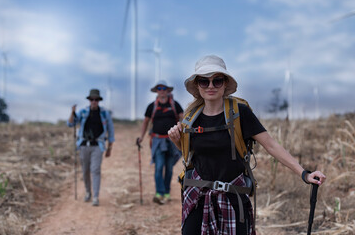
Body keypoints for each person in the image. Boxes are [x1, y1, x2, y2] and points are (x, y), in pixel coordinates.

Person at [167, 55, 326, 234]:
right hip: (197, 198)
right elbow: (193, 157)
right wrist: (177, 141)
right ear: (197, 85)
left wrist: (304, 173)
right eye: (204, 81)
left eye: (217, 80)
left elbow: (271, 145)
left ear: (225, 83)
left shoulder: (240, 113)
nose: (211, 86)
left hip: (233, 198)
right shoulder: (190, 118)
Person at [137, 80, 184, 205]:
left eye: (164, 88)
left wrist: (185, 135)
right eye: (159, 88)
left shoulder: (175, 105)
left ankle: (167, 193)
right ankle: (159, 193)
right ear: (156, 91)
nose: (162, 90)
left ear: (168, 90)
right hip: (157, 140)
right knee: (158, 167)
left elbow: (183, 119)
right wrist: (141, 137)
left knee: (169, 168)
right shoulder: (151, 106)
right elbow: (145, 122)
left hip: (172, 141)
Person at [67, 89, 115, 206]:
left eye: (96, 100)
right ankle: (88, 192)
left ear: (99, 101)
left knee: (95, 170)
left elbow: (111, 131)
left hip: (97, 146)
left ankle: (96, 197)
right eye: (92, 99)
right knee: (85, 171)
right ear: (89, 100)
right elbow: (70, 124)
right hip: (84, 145)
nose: (94, 101)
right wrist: (72, 113)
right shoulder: (83, 112)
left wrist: (109, 148)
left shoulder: (104, 113)